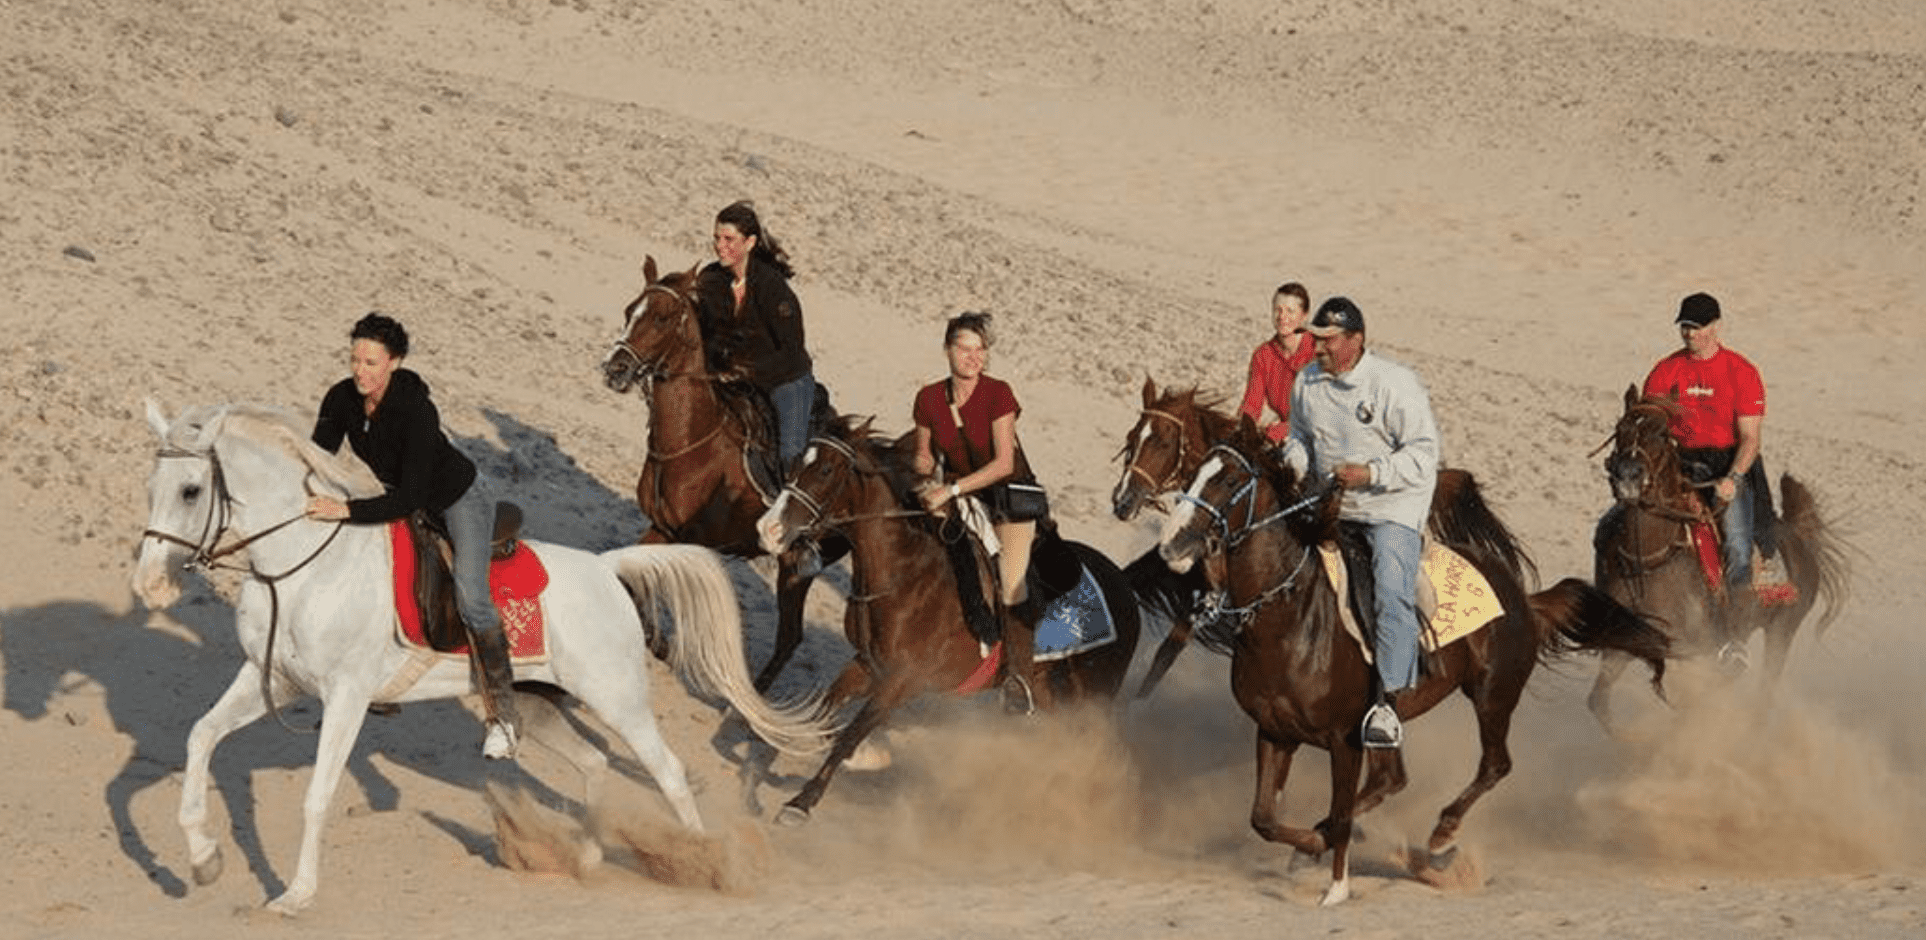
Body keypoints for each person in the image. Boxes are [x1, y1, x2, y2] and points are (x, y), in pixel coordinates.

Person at [306, 313, 519, 760]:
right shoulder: (341, 399)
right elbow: (318, 459)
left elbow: (411, 497)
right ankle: (374, 687)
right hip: (397, 494)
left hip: (457, 498)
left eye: (371, 362)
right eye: (355, 360)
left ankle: (504, 716)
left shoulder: (417, 410)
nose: (360, 371)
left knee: (471, 596)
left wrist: (345, 510)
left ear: (395, 362)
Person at [1278, 296, 1440, 749]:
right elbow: (1299, 437)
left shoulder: (1395, 383)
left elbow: (1424, 455)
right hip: (1330, 503)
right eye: (1315, 339)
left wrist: (1371, 473)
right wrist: (1292, 462)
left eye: (1328, 341)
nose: (1318, 348)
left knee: (1390, 589)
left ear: (1356, 340)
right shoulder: (1307, 381)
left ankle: (1388, 703)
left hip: (1391, 508)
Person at [910, 312, 1044, 711]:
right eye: (964, 348)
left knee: (1013, 582)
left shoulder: (998, 394)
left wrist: (950, 488)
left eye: (980, 349)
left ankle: (1018, 677)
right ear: (947, 350)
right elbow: (923, 455)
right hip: (956, 499)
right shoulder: (928, 399)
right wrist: (920, 471)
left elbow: (1004, 463)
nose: (973, 357)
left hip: (1006, 502)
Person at [1641, 291, 1780, 599]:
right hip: (1680, 462)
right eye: (1685, 326)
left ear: (1716, 326)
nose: (1690, 334)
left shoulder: (1741, 372)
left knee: (1737, 544)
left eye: (1697, 327)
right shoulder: (1666, 371)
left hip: (1727, 463)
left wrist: (1733, 479)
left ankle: (1738, 613)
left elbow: (1750, 439)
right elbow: (1650, 423)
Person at [698, 200, 814, 467]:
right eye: (717, 238)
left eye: (729, 239)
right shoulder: (710, 279)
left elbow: (791, 350)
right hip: (732, 379)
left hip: (785, 381)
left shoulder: (771, 286)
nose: (720, 246)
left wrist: (746, 371)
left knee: (789, 455)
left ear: (750, 243)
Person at [1238, 282, 1316, 444]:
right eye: (1277, 310)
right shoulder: (1263, 355)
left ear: (1304, 316)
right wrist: (1244, 427)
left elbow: (1322, 413)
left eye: (1290, 311)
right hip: (1286, 438)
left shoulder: (1319, 352)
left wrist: (1283, 430)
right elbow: (1252, 404)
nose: (1282, 317)